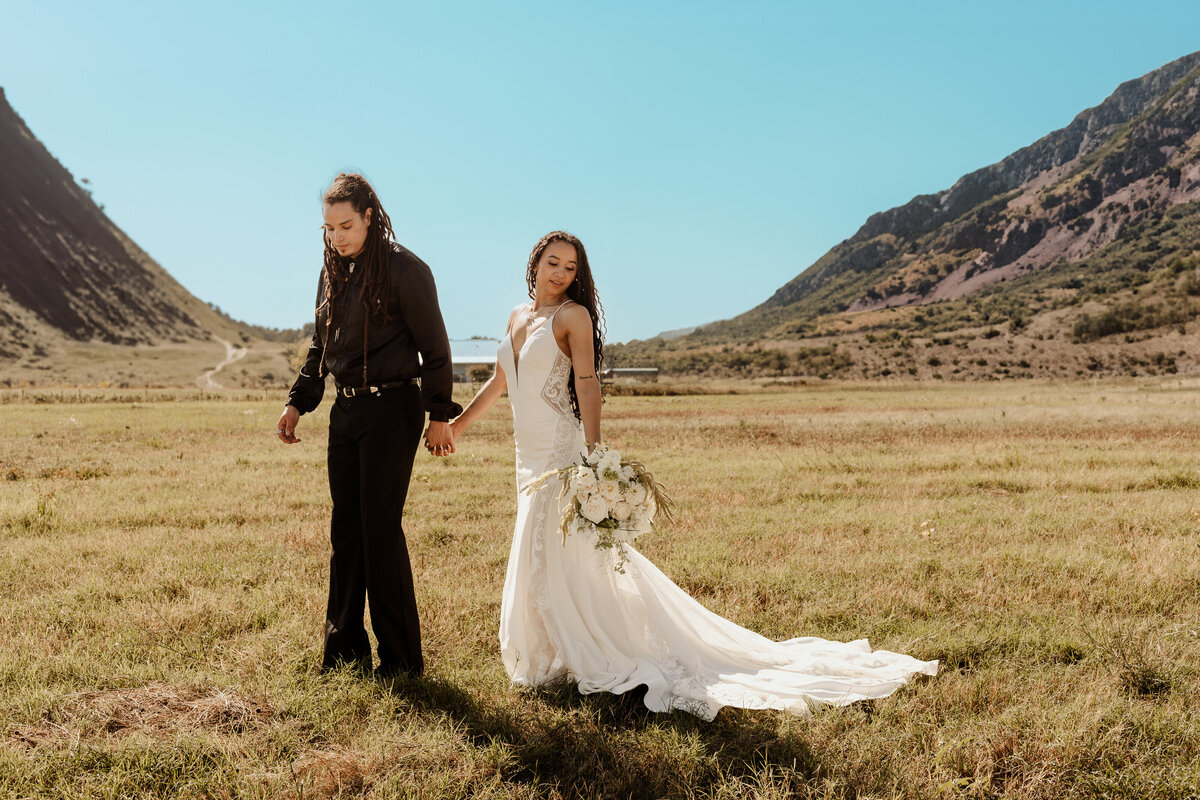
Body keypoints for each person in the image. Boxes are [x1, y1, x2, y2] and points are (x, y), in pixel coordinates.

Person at [447, 230, 937, 719]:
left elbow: (587, 382)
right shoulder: (516, 316)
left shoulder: (571, 317)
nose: (559, 272)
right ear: (535, 263)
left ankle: (587, 648)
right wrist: (457, 427)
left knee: (563, 547)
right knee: (554, 549)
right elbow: (500, 381)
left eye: (570, 267)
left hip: (558, 447)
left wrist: (595, 455)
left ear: (578, 275)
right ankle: (559, 649)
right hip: (525, 452)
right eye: (552, 262)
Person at [278, 173, 461, 680]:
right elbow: (321, 347)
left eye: (346, 225)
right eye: (329, 228)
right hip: (346, 412)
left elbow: (436, 348)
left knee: (380, 530)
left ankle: (401, 661)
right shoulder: (332, 272)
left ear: (369, 217)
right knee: (346, 530)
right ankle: (345, 652)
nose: (337, 237)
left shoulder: (407, 271)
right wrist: (298, 403)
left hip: (393, 410)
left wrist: (440, 414)